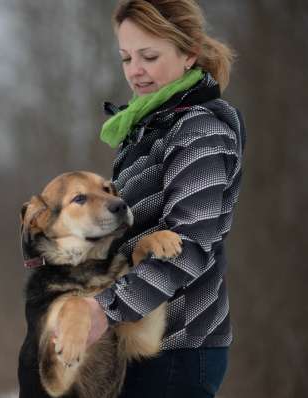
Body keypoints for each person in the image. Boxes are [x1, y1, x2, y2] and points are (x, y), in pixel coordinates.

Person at [81, 1, 246, 397]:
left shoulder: (200, 132)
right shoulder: (147, 127)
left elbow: (188, 246)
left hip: (180, 344)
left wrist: (105, 308)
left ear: (189, 52)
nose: (135, 70)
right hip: (140, 340)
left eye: (149, 56)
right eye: (126, 58)